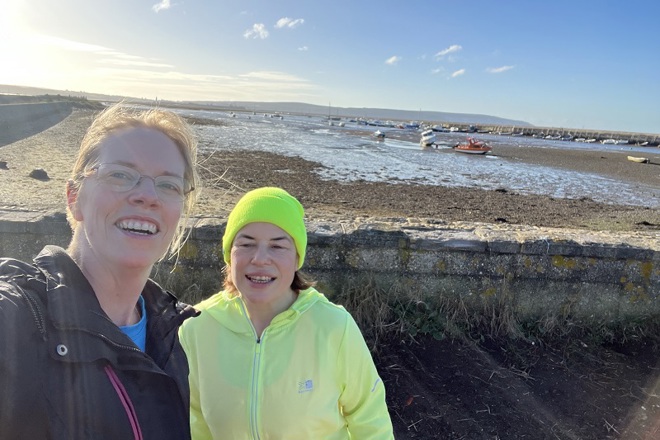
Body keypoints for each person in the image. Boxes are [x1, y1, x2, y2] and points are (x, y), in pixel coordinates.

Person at [0, 103, 200, 439]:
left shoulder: (168, 333)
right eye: (119, 174)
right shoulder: (18, 319)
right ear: (74, 197)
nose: (148, 195)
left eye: (168, 184)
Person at [179, 186, 394, 439]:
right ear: (229, 255)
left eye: (277, 246)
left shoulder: (333, 326)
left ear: (296, 259)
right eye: (246, 244)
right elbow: (194, 422)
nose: (259, 259)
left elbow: (370, 420)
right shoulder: (196, 327)